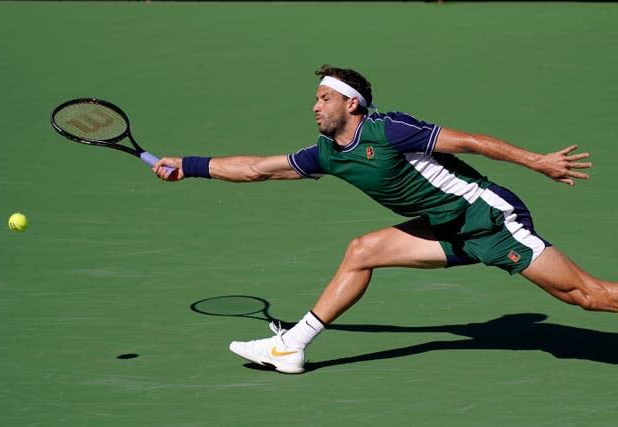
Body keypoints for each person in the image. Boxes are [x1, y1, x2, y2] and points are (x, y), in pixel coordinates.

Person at [153, 64, 618, 374]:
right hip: (446, 228)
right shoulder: (327, 154)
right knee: (363, 251)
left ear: (350, 104)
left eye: (324, 98)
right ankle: (292, 345)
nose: (315, 106)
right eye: (314, 99)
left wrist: (537, 161)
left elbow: (471, 141)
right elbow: (258, 169)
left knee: (587, 297)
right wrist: (188, 165)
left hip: (488, 218)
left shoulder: (390, 130)